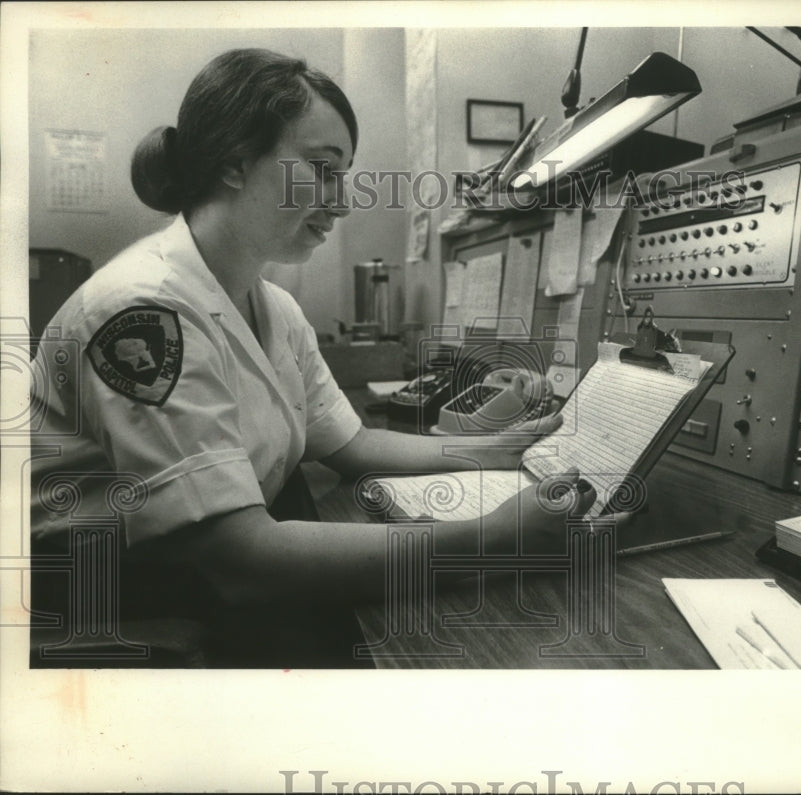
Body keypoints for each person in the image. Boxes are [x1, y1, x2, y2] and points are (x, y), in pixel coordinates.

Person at [30, 48, 593, 666]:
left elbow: (352, 447)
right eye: (322, 171)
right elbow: (241, 560)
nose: (342, 201)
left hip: (198, 565)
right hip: (107, 595)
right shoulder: (143, 311)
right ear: (235, 162)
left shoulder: (269, 305)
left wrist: (495, 450)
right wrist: (495, 537)